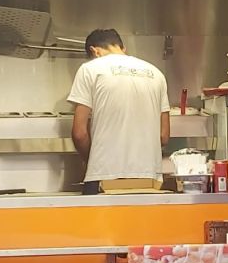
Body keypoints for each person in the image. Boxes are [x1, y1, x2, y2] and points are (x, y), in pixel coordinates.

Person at [67, 28, 170, 195]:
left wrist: (91, 160)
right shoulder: (157, 74)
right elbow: (163, 136)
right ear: (123, 48)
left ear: (94, 51)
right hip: (150, 178)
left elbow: (79, 133)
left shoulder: (90, 69)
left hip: (103, 176)